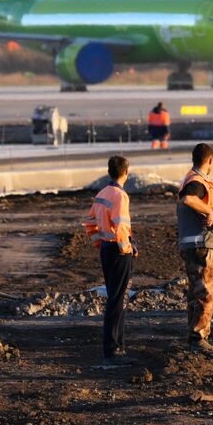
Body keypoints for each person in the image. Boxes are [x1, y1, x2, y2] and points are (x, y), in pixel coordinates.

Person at [83, 155, 137, 362]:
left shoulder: (102, 193)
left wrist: (101, 243)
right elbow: (121, 226)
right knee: (119, 299)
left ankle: (113, 346)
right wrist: (126, 249)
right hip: (117, 251)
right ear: (126, 172)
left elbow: (90, 224)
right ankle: (114, 349)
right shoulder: (120, 196)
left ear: (109, 171)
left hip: (107, 249)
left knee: (115, 297)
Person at [177, 142, 213, 350]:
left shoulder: (192, 178)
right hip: (198, 245)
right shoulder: (197, 181)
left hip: (193, 243)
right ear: (210, 160)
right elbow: (188, 198)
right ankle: (198, 338)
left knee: (196, 292)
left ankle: (197, 335)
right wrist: (209, 212)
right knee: (207, 292)